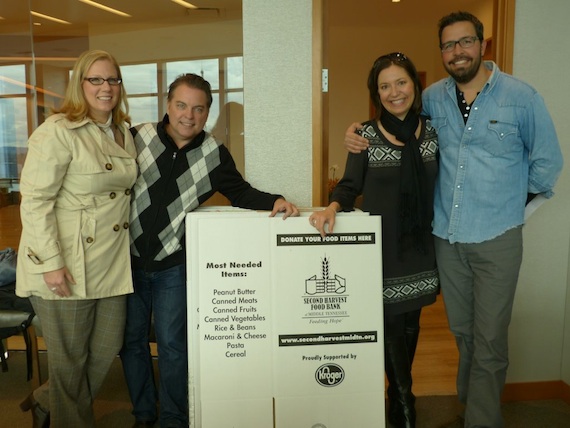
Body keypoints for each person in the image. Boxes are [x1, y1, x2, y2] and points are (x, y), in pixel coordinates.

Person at [343, 11, 563, 428]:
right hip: (445, 236)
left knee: (491, 338)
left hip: (498, 235)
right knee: (463, 333)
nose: (457, 51)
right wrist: (357, 134)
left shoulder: (521, 97)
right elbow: (397, 115)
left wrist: (513, 208)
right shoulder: (435, 97)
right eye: (448, 45)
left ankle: (482, 419)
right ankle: (468, 404)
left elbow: (548, 165)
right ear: (441, 52)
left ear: (483, 45)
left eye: (465, 42)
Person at [120, 73, 299, 428]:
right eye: (181, 105)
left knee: (173, 346)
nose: (189, 115)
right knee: (131, 342)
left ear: (207, 113)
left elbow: (242, 193)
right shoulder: (136, 138)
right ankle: (143, 414)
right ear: (167, 106)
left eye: (199, 109)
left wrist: (275, 199)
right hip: (125, 262)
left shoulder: (214, 154)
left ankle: (173, 418)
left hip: (172, 265)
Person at [310, 53, 439, 428]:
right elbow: (350, 186)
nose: (394, 92)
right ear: (375, 92)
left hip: (421, 246)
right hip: (382, 251)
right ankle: (403, 400)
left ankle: (398, 393)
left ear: (414, 85)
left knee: (411, 323)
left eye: (400, 82)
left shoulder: (433, 132)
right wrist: (333, 207)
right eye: (384, 86)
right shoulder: (364, 136)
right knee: (391, 324)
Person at [16, 49, 137, 427]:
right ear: (79, 85)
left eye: (112, 80)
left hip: (110, 262)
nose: (106, 87)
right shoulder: (56, 131)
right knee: (69, 363)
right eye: (96, 80)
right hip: (65, 264)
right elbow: (35, 201)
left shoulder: (123, 131)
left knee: (105, 350)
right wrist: (50, 264)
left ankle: (43, 399)